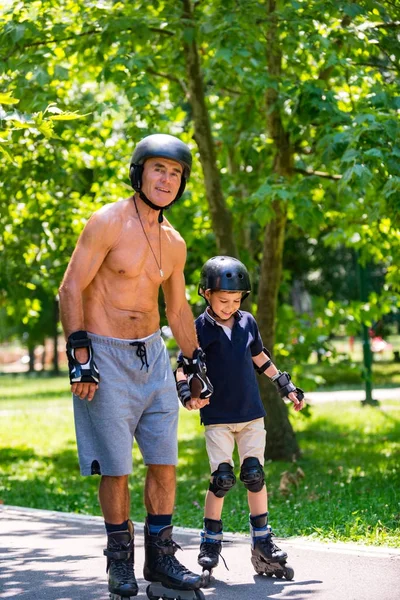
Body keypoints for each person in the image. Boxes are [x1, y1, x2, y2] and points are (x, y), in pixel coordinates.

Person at [59, 133, 213, 598]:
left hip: (154, 359)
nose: (167, 179)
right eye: (158, 169)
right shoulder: (107, 221)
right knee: (117, 469)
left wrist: (195, 360)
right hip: (104, 356)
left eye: (176, 173)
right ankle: (119, 562)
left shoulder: (174, 242)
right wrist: (80, 355)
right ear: (139, 173)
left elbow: (179, 309)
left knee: (165, 463)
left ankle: (161, 560)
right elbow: (70, 288)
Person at [175, 256, 305, 580]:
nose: (230, 306)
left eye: (236, 300)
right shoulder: (197, 328)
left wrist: (285, 386)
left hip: (250, 413)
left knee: (254, 474)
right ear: (206, 293)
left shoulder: (247, 322)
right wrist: (186, 395)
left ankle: (262, 543)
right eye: (223, 300)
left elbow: (260, 356)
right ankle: (210, 542)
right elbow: (182, 367)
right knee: (221, 478)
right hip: (217, 416)